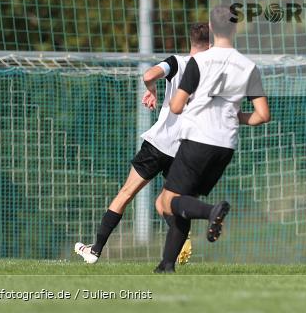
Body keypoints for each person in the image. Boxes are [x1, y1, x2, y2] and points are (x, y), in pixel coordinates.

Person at [75, 22, 210, 264]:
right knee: (169, 203)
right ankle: (183, 237)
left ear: (191, 41)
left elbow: (148, 75)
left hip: (159, 144)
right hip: (185, 149)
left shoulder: (177, 62)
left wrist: (153, 89)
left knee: (126, 193)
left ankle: (94, 250)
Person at [152, 3, 270, 273]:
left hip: (198, 139)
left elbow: (177, 106)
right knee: (183, 202)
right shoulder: (248, 66)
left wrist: (191, 100)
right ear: (235, 27)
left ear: (212, 27)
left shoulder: (200, 61)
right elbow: (262, 115)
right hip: (225, 145)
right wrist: (234, 115)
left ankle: (211, 211)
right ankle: (166, 265)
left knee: (167, 201)